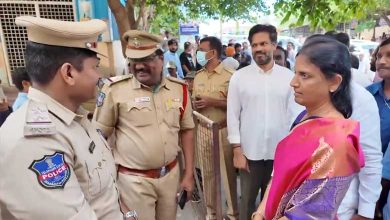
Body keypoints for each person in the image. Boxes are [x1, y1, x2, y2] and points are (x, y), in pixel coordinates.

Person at [0, 16, 126, 219]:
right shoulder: (34, 141)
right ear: (68, 73)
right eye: (95, 67)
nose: (99, 77)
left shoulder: (74, 118)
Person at [253, 36, 365, 220]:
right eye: (295, 73)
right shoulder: (304, 117)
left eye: (304, 75)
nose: (293, 82)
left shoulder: (336, 142)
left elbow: (309, 214)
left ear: (334, 82)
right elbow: (280, 174)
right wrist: (260, 212)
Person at [93, 30, 195, 220]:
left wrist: (188, 173)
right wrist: (108, 184)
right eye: (132, 60)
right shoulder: (114, 90)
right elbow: (98, 138)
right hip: (133, 183)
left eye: (146, 59)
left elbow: (187, 130)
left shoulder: (179, 89)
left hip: (170, 177)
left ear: (161, 59)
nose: (139, 66)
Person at [227, 24, 302, 220]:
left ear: (274, 45)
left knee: (276, 202)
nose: (259, 48)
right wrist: (236, 149)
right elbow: (232, 115)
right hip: (249, 154)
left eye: (264, 43)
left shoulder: (289, 78)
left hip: (280, 155)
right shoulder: (239, 77)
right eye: (254, 45)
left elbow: (295, 116)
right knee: (247, 202)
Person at [193, 36, 238, 220]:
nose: (198, 53)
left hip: (223, 130)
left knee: (227, 175)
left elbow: (237, 104)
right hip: (203, 130)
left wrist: (214, 101)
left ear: (213, 52)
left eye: (202, 49)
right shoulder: (198, 76)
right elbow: (195, 98)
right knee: (208, 174)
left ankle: (233, 213)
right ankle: (211, 213)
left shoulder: (231, 76)